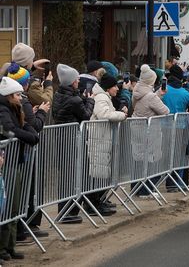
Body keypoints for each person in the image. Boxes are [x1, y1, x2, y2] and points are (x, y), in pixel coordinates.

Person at [6, 64, 50, 241]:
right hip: (16, 155)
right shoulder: (21, 101)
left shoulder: (19, 102)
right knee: (17, 195)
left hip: (18, 153)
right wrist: (41, 113)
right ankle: (19, 230)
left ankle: (17, 232)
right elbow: (33, 126)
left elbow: (24, 124)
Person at [0, 77, 39, 261]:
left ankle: (10, 245)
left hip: (16, 161)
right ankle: (2, 248)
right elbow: (8, 129)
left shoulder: (15, 108)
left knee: (14, 206)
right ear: (9, 96)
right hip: (7, 163)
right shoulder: (3, 109)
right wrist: (29, 137)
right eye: (17, 94)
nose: (20, 96)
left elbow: (23, 125)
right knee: (7, 206)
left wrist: (32, 133)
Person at [52, 64, 95, 224]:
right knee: (72, 175)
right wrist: (90, 101)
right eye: (76, 78)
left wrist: (83, 98)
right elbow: (85, 115)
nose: (78, 80)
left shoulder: (58, 95)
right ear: (71, 82)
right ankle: (69, 212)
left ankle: (64, 209)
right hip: (73, 140)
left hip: (62, 139)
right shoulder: (74, 99)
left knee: (65, 174)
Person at [87, 74, 128, 216]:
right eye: (115, 86)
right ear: (108, 87)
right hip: (98, 139)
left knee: (102, 173)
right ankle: (93, 205)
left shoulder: (104, 97)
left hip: (102, 139)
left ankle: (98, 202)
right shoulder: (101, 98)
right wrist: (121, 116)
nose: (117, 89)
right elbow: (104, 114)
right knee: (98, 174)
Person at [131, 65, 170, 198]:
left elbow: (146, 101)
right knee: (149, 158)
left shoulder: (137, 90)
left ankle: (136, 187)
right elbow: (165, 111)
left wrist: (158, 94)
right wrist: (157, 96)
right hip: (149, 130)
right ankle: (146, 189)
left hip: (137, 127)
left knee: (138, 157)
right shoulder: (150, 96)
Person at [162, 64, 189, 192]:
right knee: (180, 156)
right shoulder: (184, 92)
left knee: (167, 156)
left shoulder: (162, 90)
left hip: (163, 126)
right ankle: (177, 183)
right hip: (181, 127)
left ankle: (169, 183)